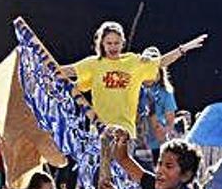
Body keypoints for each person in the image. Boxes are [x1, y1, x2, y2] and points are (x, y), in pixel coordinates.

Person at [59, 21, 207, 136]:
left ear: (122, 43)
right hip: (100, 130)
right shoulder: (93, 64)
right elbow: (69, 70)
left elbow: (160, 62)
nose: (113, 47)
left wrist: (182, 49)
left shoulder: (133, 62)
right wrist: (40, 63)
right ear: (101, 44)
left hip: (125, 131)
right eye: (109, 43)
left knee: (119, 173)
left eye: (116, 43)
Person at [139, 47, 179, 164]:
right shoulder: (134, 89)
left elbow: (170, 122)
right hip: (137, 141)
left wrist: (164, 130)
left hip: (156, 144)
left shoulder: (166, 92)